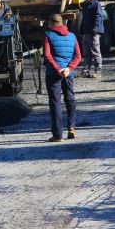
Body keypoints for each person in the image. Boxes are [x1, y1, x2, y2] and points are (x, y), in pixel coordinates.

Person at [44, 14, 81, 142]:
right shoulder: (72, 36)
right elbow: (78, 56)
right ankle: (71, 127)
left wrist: (58, 69)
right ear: (62, 22)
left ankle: (58, 134)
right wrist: (69, 69)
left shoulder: (48, 34)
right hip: (68, 74)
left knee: (55, 102)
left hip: (53, 74)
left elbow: (47, 56)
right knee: (70, 99)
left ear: (51, 23)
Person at [80, 0, 104, 79]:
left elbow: (98, 16)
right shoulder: (85, 5)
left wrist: (96, 29)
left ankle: (98, 71)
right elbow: (84, 18)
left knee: (95, 51)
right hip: (86, 32)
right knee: (86, 52)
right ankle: (86, 71)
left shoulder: (96, 4)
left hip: (93, 32)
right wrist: (82, 28)